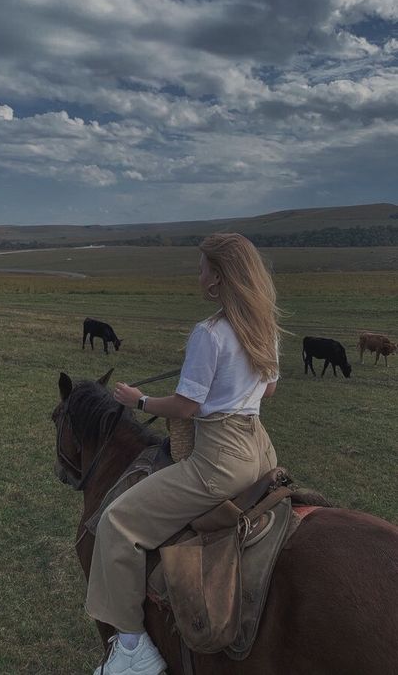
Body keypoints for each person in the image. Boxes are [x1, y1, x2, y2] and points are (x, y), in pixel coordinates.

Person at [86, 233, 281, 675]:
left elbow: (187, 408)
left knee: (117, 522)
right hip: (261, 449)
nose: (198, 275)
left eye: (202, 268)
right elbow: (268, 387)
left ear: (218, 277)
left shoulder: (209, 333)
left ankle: (134, 650)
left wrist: (137, 401)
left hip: (220, 455)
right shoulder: (263, 325)